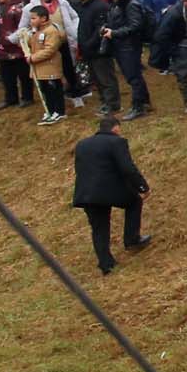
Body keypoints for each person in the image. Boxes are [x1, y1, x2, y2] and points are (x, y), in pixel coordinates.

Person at [72, 110, 152, 273]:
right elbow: (127, 168)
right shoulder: (117, 142)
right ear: (115, 128)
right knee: (134, 201)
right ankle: (132, 239)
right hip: (109, 191)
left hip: (86, 193)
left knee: (99, 228)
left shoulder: (82, 144)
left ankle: (106, 264)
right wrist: (142, 187)